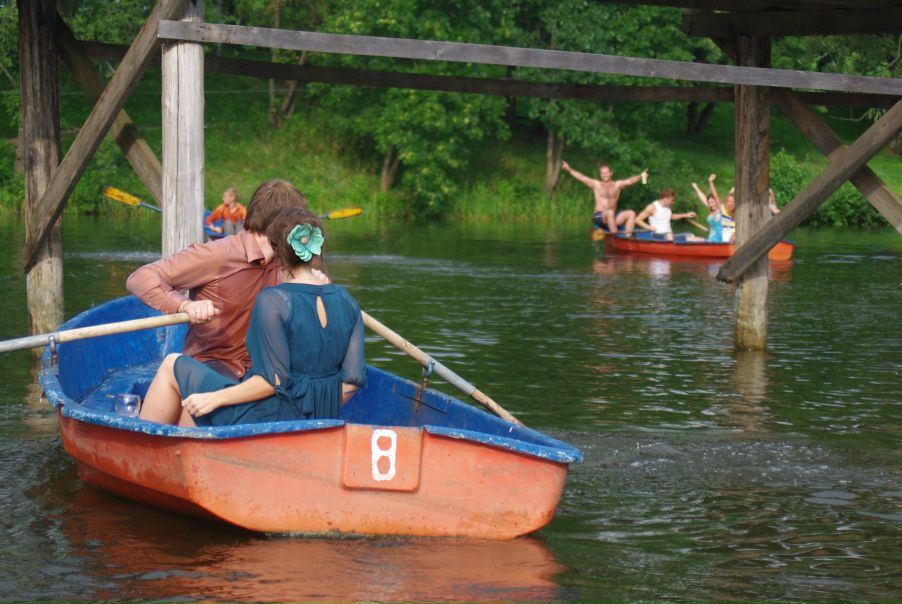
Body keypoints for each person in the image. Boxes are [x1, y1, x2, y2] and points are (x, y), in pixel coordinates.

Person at [139, 207, 366, 427]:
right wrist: (312, 407)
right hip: (320, 419)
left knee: (171, 364)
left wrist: (214, 398)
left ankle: (145, 449)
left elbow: (270, 382)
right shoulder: (348, 302)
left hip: (268, 419)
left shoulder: (273, 300)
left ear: (278, 250)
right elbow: (352, 382)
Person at [126, 179, 312, 381]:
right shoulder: (216, 255)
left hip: (261, 365)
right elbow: (140, 278)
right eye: (298, 224)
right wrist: (185, 305)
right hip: (214, 363)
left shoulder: (286, 261)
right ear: (283, 226)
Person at [561, 160, 647, 235]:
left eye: (606, 173)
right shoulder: (596, 184)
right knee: (609, 212)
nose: (604, 175)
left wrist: (641, 176)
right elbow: (582, 178)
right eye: (602, 173)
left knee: (631, 213)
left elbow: (630, 181)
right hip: (599, 216)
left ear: (611, 173)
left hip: (612, 216)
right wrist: (569, 170)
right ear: (600, 175)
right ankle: (616, 237)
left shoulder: (617, 185)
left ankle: (628, 237)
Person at [635, 187, 702, 241]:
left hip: (669, 235)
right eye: (672, 200)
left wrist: (685, 215)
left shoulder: (668, 206)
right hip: (656, 235)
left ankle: (708, 244)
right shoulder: (652, 207)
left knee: (690, 235)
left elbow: (670, 216)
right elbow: (637, 220)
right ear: (665, 199)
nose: (673, 202)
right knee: (669, 235)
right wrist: (649, 227)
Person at [691, 174, 724, 242]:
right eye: (709, 203)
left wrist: (710, 182)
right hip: (710, 239)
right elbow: (703, 198)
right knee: (690, 238)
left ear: (716, 201)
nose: (711, 205)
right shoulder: (711, 209)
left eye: (712, 202)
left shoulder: (720, 210)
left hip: (720, 241)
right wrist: (696, 188)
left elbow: (715, 195)